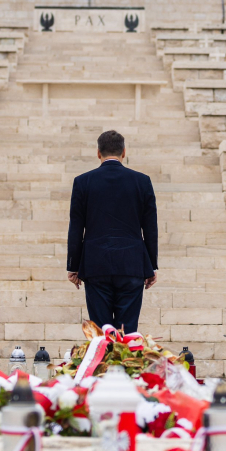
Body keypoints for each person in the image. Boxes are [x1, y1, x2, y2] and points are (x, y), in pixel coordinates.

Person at [66, 130, 158, 334]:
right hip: (131, 264)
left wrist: (73, 265)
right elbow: (150, 227)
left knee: (101, 333)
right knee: (128, 332)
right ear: (124, 152)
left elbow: (76, 226)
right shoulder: (142, 181)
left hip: (96, 264)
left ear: (98, 153)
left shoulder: (83, 182)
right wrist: (150, 265)